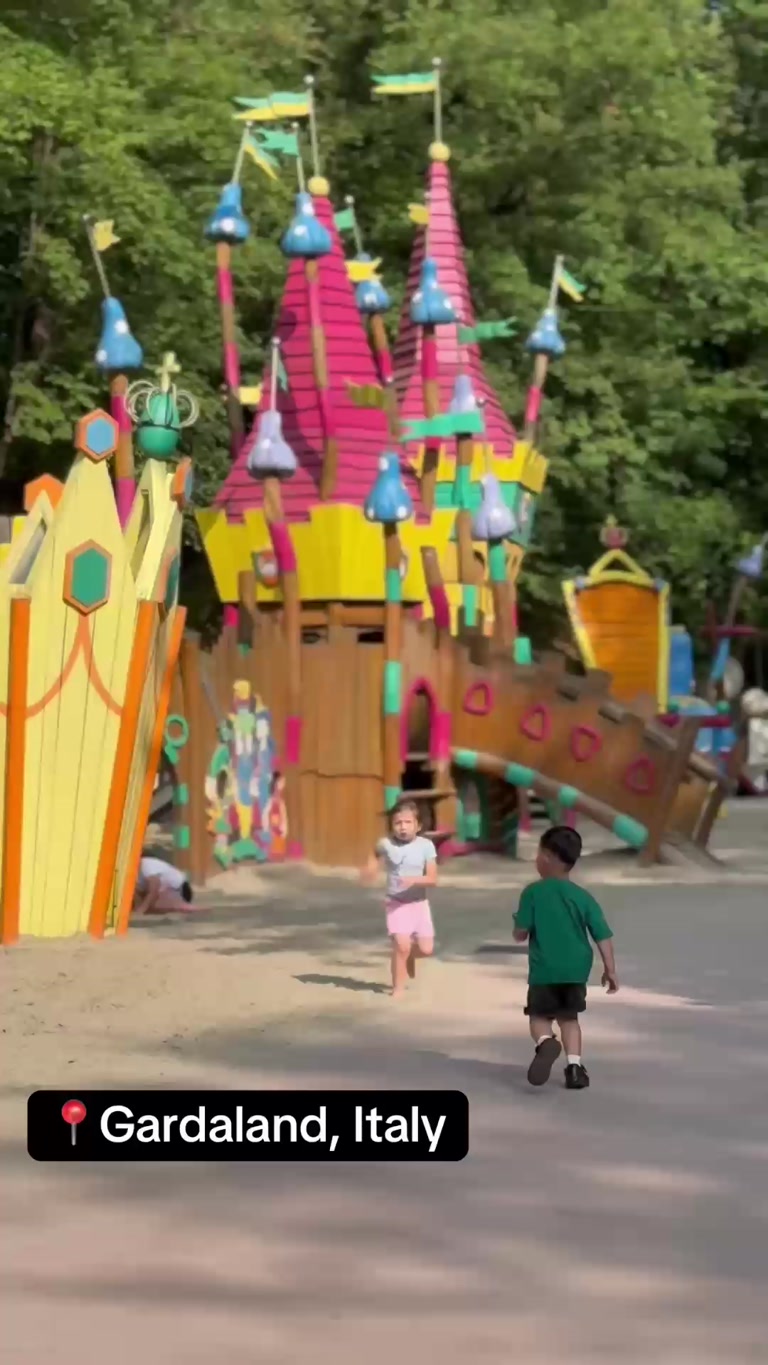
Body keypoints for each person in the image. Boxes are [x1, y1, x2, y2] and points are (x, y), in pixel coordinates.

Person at [513, 825, 618, 1090]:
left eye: (538, 853)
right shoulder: (582, 897)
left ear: (547, 857)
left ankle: (546, 1042)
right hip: (575, 970)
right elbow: (602, 934)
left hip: (544, 970)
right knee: (569, 1019)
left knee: (539, 1017)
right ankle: (574, 1068)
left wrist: (519, 926)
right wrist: (610, 969)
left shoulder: (532, 893)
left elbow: (520, 934)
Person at [361, 799, 437, 998]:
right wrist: (371, 868)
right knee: (401, 946)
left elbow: (432, 878)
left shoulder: (426, 846)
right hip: (396, 903)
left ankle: (410, 955)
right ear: (392, 826)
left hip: (419, 904)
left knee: (426, 950)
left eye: (408, 822)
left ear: (418, 826)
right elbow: (375, 853)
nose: (403, 827)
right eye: (398, 823)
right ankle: (398, 988)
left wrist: (414, 880)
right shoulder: (386, 843)